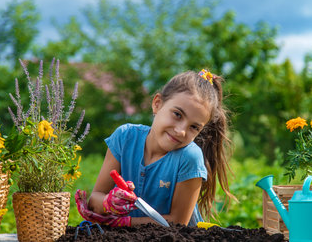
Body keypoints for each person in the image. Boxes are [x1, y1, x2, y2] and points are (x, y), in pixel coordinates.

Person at [75, 69, 234, 227]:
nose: (181, 131)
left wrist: (124, 222)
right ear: (157, 104)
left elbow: (178, 223)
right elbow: (95, 198)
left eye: (194, 127)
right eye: (177, 114)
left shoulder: (190, 157)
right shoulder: (125, 138)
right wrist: (107, 203)